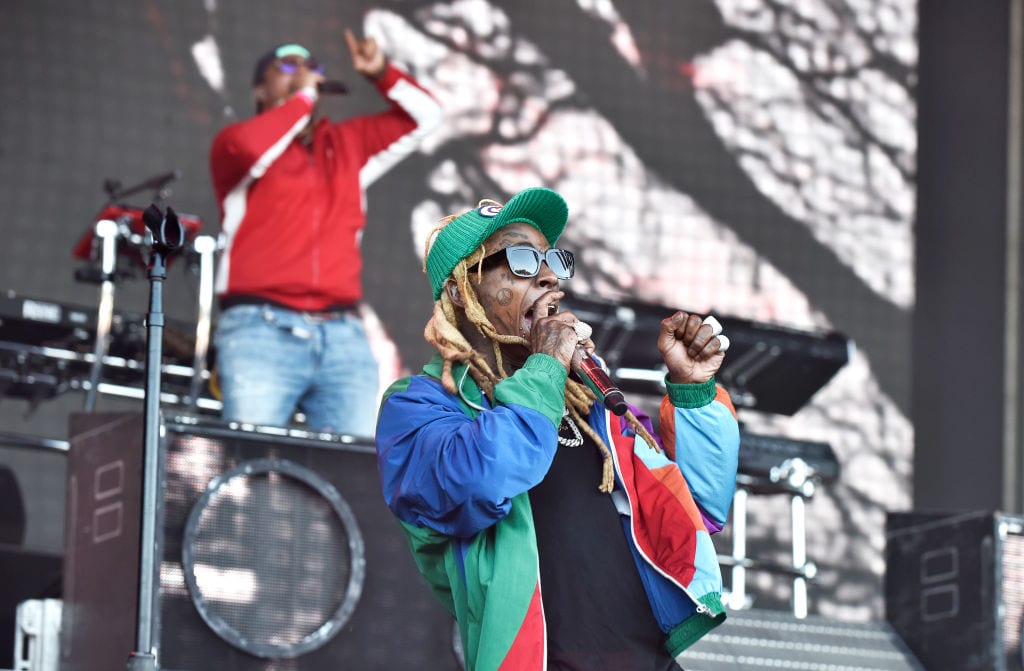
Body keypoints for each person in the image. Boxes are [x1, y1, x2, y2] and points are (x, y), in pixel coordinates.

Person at [375, 186, 741, 670]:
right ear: (462, 290)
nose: (550, 277)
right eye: (523, 260)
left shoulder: (590, 407)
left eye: (553, 260)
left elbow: (698, 513)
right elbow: (480, 479)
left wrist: (692, 393)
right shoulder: (419, 405)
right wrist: (547, 366)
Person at [209, 30, 442, 435]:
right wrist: (301, 99)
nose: (302, 72)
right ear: (260, 89)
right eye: (286, 66)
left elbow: (428, 117)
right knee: (247, 469)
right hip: (259, 329)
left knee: (349, 473)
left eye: (311, 66)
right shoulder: (238, 145)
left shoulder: (346, 145)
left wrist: (383, 73)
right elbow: (251, 149)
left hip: (342, 336)